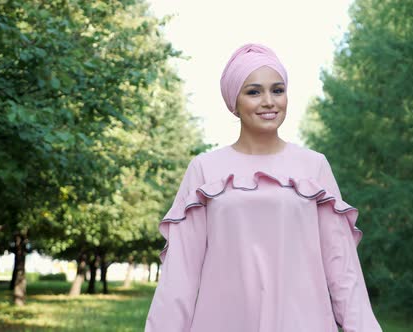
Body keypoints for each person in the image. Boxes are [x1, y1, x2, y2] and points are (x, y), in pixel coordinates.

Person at [145, 43, 382, 332]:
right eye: (254, 92)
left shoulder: (314, 166)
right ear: (234, 101)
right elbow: (179, 276)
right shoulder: (205, 169)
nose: (269, 101)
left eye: (278, 90)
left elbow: (343, 270)